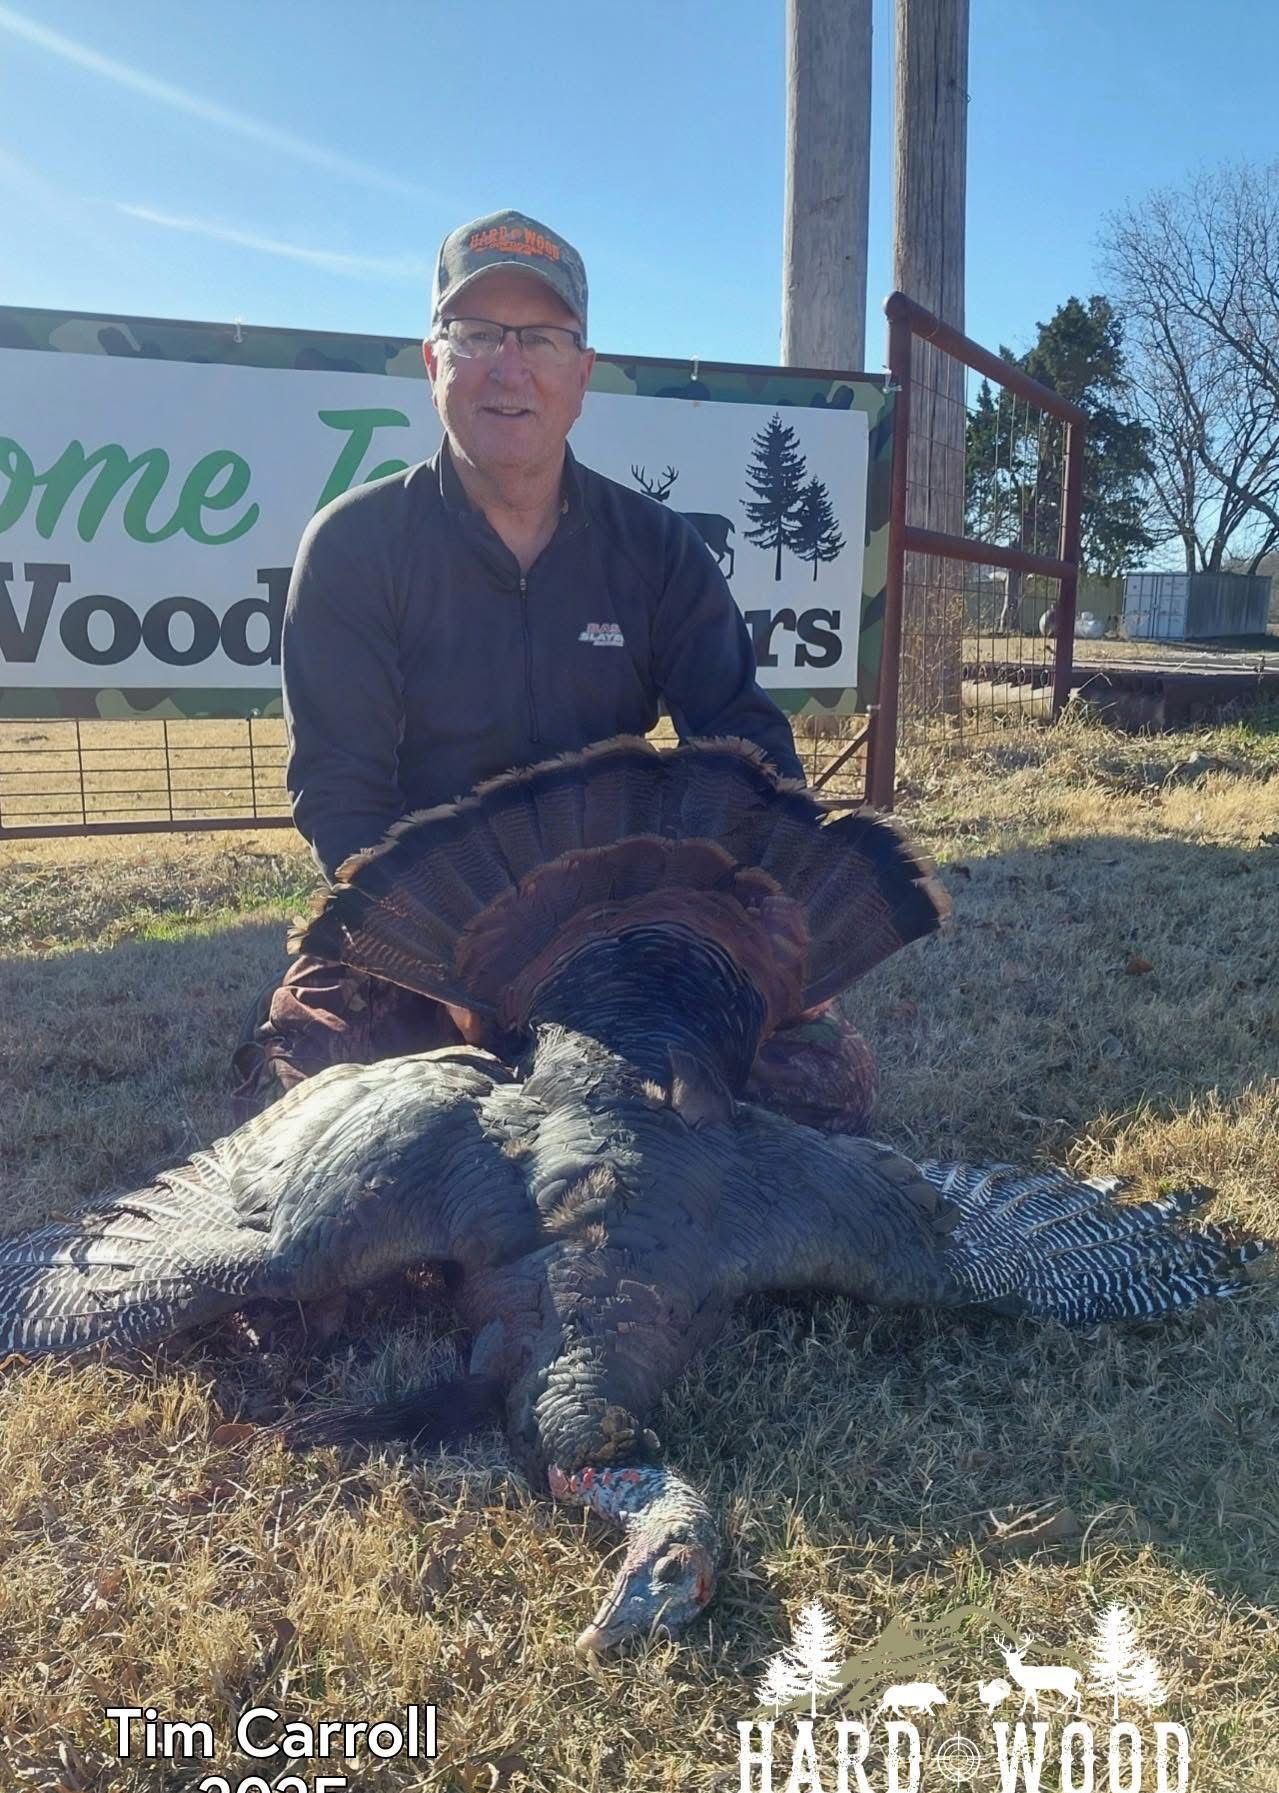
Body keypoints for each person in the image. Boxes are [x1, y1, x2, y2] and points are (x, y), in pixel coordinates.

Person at [230, 209, 876, 1131]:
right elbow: (341, 794)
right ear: (433, 362)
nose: (509, 366)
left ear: (582, 374)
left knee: (819, 1082)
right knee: (321, 1109)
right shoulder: (354, 546)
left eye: (540, 337)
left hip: (616, 928)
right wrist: (439, 968)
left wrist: (772, 920)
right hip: (428, 927)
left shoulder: (655, 548)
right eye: (477, 334)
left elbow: (742, 740)